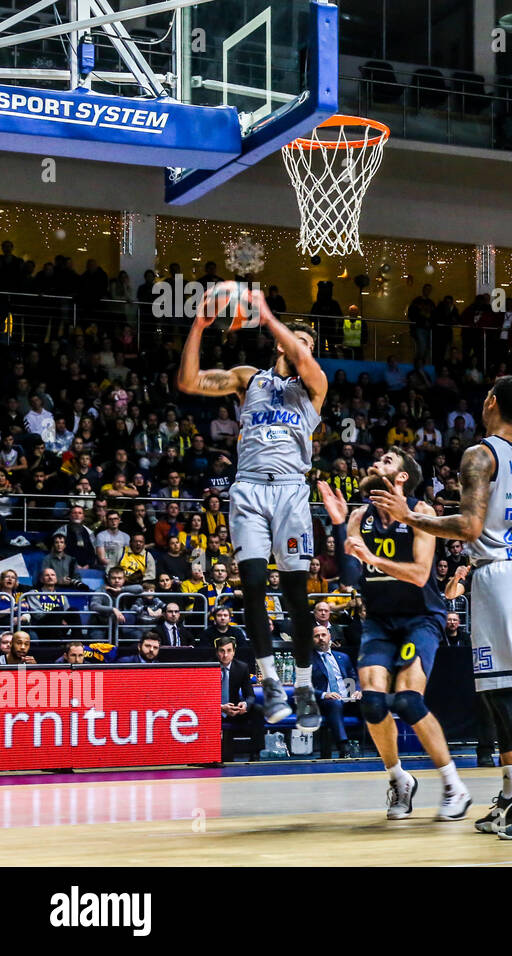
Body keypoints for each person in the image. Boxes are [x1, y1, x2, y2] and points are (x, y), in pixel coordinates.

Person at [370, 375, 512, 840]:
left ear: (492, 402)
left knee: (505, 693)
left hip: (498, 575)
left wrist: (410, 516)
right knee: (501, 690)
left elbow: (468, 524)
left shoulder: (479, 454)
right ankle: (511, 794)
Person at [178, 283, 325, 734]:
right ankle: (274, 685)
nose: (303, 350)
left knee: (296, 596)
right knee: (255, 588)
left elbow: (302, 361)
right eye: (300, 342)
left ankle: (304, 687)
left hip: (290, 491)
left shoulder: (314, 386)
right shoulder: (250, 378)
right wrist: (199, 327)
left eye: (309, 345)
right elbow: (189, 381)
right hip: (249, 491)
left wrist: (267, 316)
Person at [317, 449, 471, 820]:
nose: (375, 464)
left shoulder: (423, 514)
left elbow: (420, 574)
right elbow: (351, 578)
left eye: (386, 461)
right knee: (371, 703)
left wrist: (372, 559)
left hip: (421, 617)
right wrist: (339, 526)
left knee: (406, 700)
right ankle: (399, 779)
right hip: (379, 619)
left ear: (401, 477)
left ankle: (454, 785)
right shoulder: (358, 516)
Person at [310, 624, 362, 758]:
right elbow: (302, 687)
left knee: (370, 702)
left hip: (348, 700)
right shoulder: (307, 660)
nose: (321, 638)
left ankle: (380, 745)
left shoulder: (343, 657)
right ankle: (344, 748)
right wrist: (324, 694)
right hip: (323, 702)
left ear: (330, 637)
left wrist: (357, 690)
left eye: (323, 635)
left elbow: (355, 678)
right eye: (317, 636)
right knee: (334, 703)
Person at [215, 635, 263, 762]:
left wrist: (245, 704)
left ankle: (256, 754)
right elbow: (202, 697)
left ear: (234, 652)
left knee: (257, 710)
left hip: (234, 709)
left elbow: (250, 695)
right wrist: (220, 707)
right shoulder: (209, 667)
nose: (225, 655)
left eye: (229, 650)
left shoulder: (242, 667)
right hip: (214, 710)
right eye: (222, 651)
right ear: (217, 652)